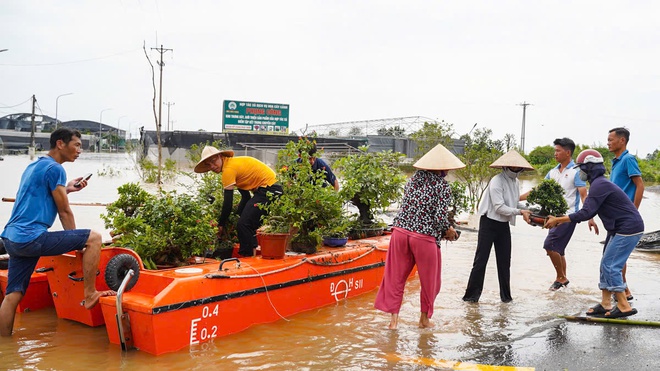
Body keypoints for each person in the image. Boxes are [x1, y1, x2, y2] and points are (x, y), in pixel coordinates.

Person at [0, 128, 114, 337]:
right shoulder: (56, 169)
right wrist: (76, 241)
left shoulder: (35, 165)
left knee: (13, 295)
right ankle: (90, 294)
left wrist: (67, 188)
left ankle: (4, 345)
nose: (80, 150)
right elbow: (64, 211)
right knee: (94, 238)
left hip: (11, 238)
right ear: (60, 144)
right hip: (31, 238)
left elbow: (40, 194)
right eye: (77, 145)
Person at [374, 143, 464, 329]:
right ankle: (424, 320)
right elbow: (439, 218)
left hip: (400, 233)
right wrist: (449, 231)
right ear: (442, 168)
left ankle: (393, 322)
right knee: (429, 281)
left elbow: (411, 209)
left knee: (395, 278)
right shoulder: (442, 186)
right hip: (423, 237)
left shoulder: (412, 180)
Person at [546, 149, 644, 318]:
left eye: (582, 168)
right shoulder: (599, 184)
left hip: (628, 228)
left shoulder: (600, 185)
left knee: (611, 265)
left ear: (590, 168)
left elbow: (585, 213)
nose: (580, 172)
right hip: (618, 228)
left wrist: (558, 220)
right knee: (604, 264)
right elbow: (588, 211)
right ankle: (606, 303)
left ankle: (623, 305)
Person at [463, 150, 533, 303]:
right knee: (481, 261)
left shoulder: (515, 182)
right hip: (489, 223)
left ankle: (506, 299)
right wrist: (521, 212)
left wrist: (530, 211)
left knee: (504, 262)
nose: (515, 170)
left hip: (503, 225)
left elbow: (513, 204)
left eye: (517, 168)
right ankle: (470, 298)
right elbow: (499, 207)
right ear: (505, 167)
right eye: (512, 167)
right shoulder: (497, 181)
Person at [194, 146, 283, 257]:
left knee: (244, 224)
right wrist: (238, 215)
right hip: (270, 189)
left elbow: (228, 204)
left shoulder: (228, 170)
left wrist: (221, 225)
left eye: (213, 161)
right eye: (208, 164)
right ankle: (253, 254)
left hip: (269, 189)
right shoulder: (232, 165)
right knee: (246, 220)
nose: (212, 166)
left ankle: (247, 259)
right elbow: (245, 197)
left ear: (220, 156)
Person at [536, 138, 598, 291]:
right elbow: (540, 191)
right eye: (555, 150)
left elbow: (584, 196)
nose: (555, 153)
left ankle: (561, 278)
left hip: (568, 216)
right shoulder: (552, 172)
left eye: (558, 150)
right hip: (553, 217)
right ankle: (563, 280)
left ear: (568, 152)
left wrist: (590, 217)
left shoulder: (576, 172)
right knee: (559, 250)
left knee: (549, 245)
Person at [607, 127, 644, 301]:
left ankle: (623, 291)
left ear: (622, 140)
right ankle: (621, 289)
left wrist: (633, 210)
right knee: (615, 255)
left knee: (614, 256)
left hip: (624, 216)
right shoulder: (615, 162)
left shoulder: (628, 159)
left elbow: (639, 185)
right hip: (615, 216)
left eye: (611, 139)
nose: (608, 143)